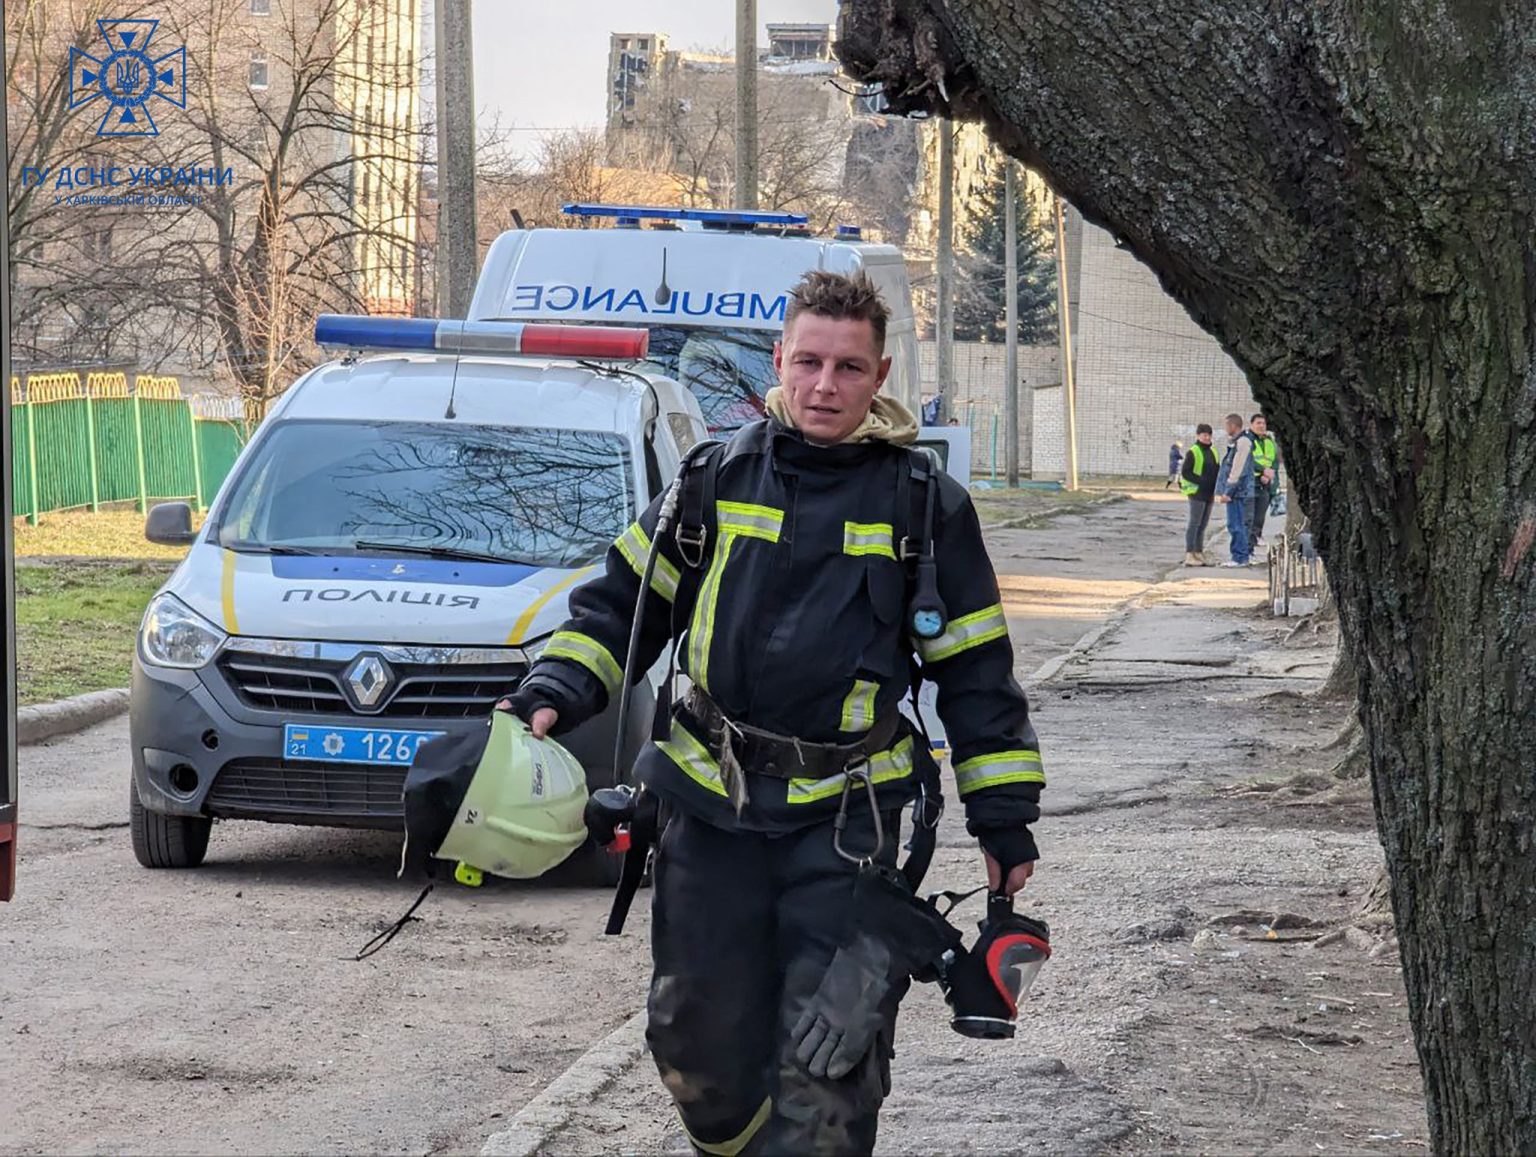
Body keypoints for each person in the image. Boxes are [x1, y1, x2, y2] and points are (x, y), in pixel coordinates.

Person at [497, 271, 1044, 1155]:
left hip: (848, 825)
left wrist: (1005, 821)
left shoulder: (925, 504)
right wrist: (555, 690)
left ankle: (829, 1073)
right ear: (779, 364)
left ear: (882, 374)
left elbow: (978, 675)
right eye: (810, 362)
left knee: (824, 1071)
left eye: (850, 367)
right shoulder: (713, 479)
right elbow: (619, 607)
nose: (826, 385)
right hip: (710, 806)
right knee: (688, 1044)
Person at [1214, 413, 1255, 567]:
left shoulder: (1243, 442)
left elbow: (1238, 469)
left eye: (1227, 426)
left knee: (1236, 525)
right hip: (1239, 491)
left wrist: (1228, 491)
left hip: (1238, 492)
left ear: (1233, 426)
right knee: (1237, 524)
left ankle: (1239, 557)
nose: (1226, 429)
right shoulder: (1238, 442)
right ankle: (1240, 556)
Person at [1179, 424, 1218, 565]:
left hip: (1209, 493)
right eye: (1204, 434)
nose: (1206, 437)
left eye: (1209, 434)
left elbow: (1216, 470)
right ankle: (1189, 553)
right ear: (1198, 436)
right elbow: (1186, 472)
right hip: (1197, 492)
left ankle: (1198, 552)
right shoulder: (1193, 451)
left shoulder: (1213, 451)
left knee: (1203, 524)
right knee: (1194, 523)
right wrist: (1201, 481)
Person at [1246, 413, 1279, 550]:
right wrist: (1262, 471)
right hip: (1251, 483)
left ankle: (1253, 544)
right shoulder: (1248, 440)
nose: (1261, 426)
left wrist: (1271, 476)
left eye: (1263, 423)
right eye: (1258, 423)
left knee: (1259, 519)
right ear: (1251, 424)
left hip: (1265, 484)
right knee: (1249, 519)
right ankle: (1246, 550)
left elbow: (1274, 461)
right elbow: (1247, 460)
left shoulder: (1268, 441)